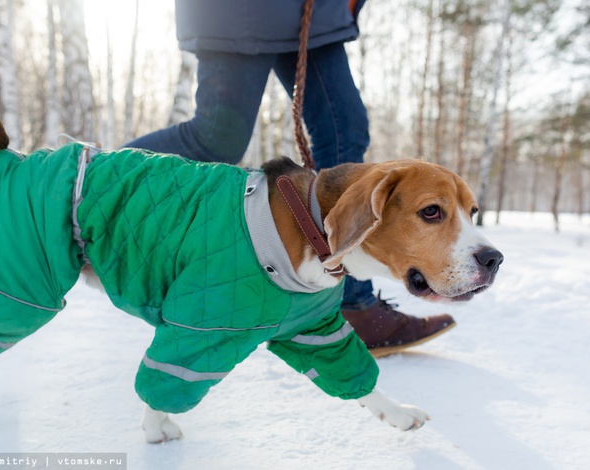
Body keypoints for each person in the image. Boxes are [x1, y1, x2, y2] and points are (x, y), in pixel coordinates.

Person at [124, 0, 455, 357]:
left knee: (344, 128)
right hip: (241, 11)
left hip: (312, 12)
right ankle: (98, 190)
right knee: (218, 135)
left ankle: (351, 305)